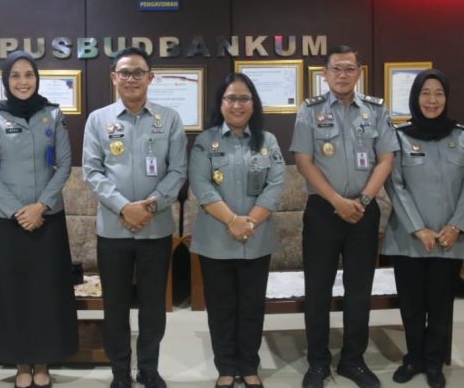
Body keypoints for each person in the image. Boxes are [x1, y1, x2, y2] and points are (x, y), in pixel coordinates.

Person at [289, 44, 398, 388]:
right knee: (317, 289)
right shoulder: (310, 110)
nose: (342, 75)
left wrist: (363, 199)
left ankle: (353, 360)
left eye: (349, 68)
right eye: (336, 68)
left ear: (358, 73)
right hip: (323, 211)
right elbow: (303, 162)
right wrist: (337, 201)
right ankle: (318, 362)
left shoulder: (375, 111)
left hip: (363, 211)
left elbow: (386, 159)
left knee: (359, 290)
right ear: (324, 74)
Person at [82, 47, 188, 388]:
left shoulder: (169, 119)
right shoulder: (98, 119)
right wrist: (123, 207)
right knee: (115, 306)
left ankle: (148, 369)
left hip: (155, 229)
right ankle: (119, 372)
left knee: (153, 306)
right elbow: (92, 171)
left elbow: (178, 171)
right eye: (125, 72)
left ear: (150, 77)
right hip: (113, 230)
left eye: (138, 72)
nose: (131, 79)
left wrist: (150, 207)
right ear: (114, 77)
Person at [0, 51, 78, 388]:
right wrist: (17, 211)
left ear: (37, 78)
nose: (23, 82)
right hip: (8, 222)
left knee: (46, 292)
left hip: (47, 220)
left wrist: (41, 206)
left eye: (29, 75)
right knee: (14, 294)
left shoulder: (52, 115)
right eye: (15, 75)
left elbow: (64, 165)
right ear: (6, 81)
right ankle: (21, 362)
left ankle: (44, 361)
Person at [382, 70, 464, 388]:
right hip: (410, 239)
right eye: (425, 92)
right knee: (411, 304)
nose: (432, 100)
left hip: (450, 239)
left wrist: (456, 225)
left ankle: (434, 361)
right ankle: (414, 358)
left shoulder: (462, 137)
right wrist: (418, 228)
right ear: (415, 97)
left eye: (439, 93)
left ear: (446, 98)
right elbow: (395, 185)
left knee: (441, 304)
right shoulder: (400, 136)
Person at [188, 73, 286, 388]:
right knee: (221, 308)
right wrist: (233, 221)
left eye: (244, 98)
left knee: (252, 307)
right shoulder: (205, 141)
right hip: (216, 240)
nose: (237, 105)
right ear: (221, 103)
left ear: (253, 104)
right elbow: (201, 186)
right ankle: (226, 367)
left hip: (256, 239)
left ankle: (249, 365)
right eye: (231, 98)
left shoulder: (268, 141)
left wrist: (249, 222)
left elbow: (275, 185)